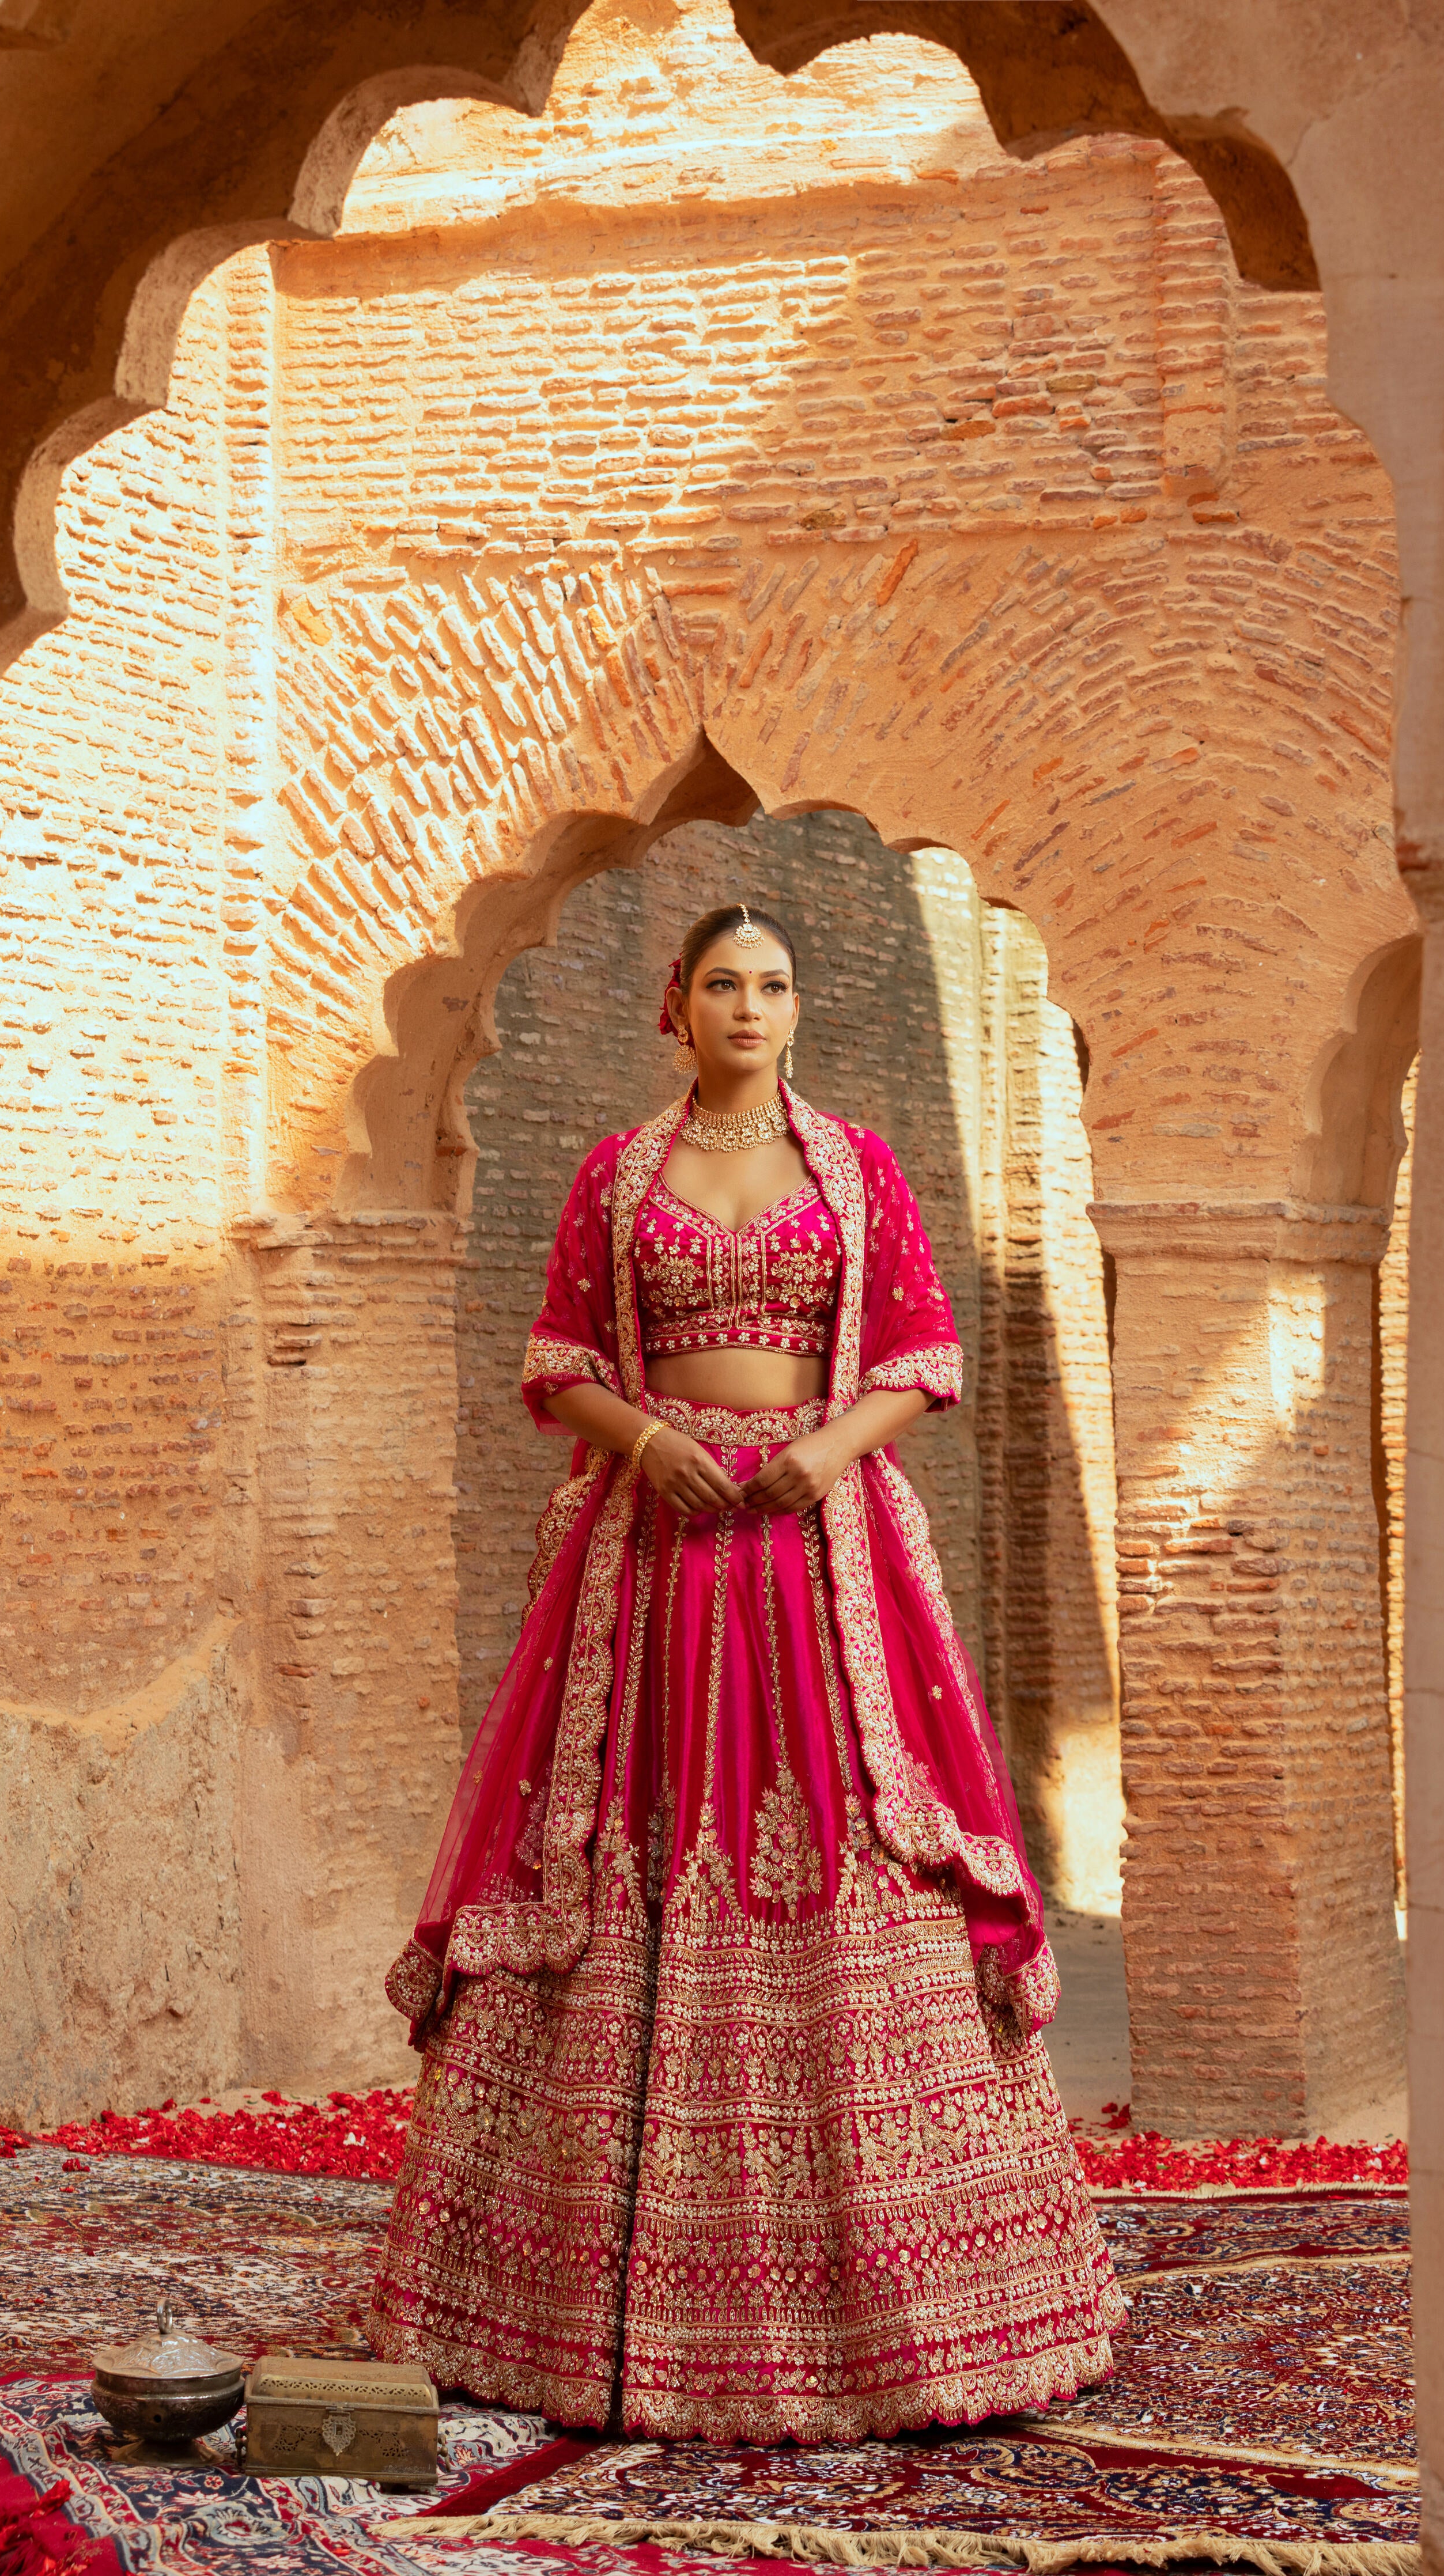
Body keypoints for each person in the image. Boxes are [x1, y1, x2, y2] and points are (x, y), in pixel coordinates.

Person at [371, 902, 1125, 2442]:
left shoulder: (854, 1167)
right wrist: (649, 1442)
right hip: (649, 1566)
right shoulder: (616, 1173)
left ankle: (914, 2316)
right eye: (724, 981)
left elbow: (923, 1355)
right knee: (614, 1849)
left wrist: (817, 1456)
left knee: (851, 1829)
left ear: (798, 1009)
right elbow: (557, 1361)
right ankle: (562, 2307)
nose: (749, 1005)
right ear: (678, 1004)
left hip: (812, 1550)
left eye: (773, 984)